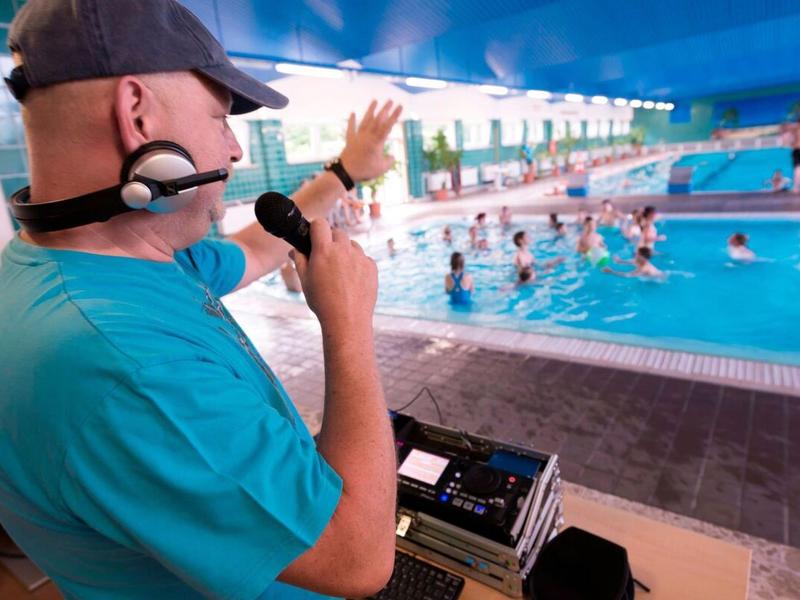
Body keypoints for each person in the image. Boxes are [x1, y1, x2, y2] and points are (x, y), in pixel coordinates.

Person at [0, 2, 404, 599]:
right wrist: (348, 326)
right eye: (221, 118)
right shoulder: (124, 365)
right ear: (136, 115)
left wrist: (344, 173)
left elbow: (257, 248)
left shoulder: (105, 264)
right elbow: (359, 558)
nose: (236, 149)